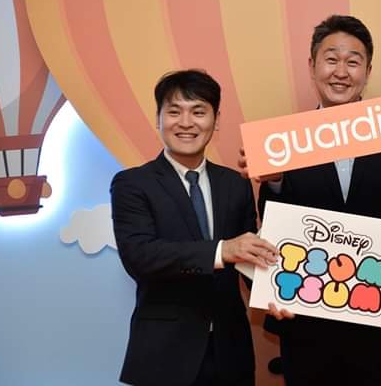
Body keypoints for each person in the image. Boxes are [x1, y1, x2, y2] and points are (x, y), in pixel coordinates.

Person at [239, 14, 381, 386]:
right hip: (307, 323)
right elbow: (276, 226)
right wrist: (274, 181)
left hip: (378, 320)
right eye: (331, 59)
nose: (341, 71)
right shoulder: (285, 141)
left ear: (367, 71)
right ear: (312, 66)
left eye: (353, 61)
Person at [111, 70, 287, 386]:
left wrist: (277, 292)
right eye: (174, 111)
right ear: (158, 118)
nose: (186, 122)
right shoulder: (132, 184)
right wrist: (222, 250)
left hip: (231, 353)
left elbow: (251, 261)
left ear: (216, 120)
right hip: (165, 356)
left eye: (198, 111)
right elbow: (140, 256)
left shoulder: (235, 184)